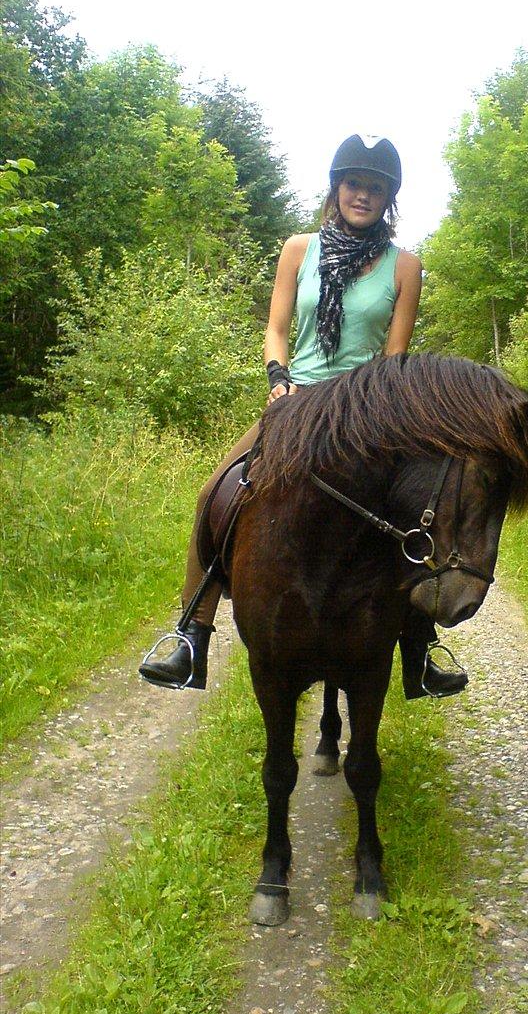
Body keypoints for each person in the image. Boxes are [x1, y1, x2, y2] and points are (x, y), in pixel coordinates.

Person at [139, 134, 469, 698]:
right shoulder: (298, 248)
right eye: (353, 184)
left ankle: (420, 646)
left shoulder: (405, 266)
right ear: (337, 187)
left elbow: (395, 357)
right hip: (297, 399)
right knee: (216, 489)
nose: (362, 195)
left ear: (387, 197)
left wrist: (379, 409)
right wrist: (278, 380)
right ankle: (192, 633)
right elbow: (276, 328)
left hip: (367, 407)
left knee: (416, 510)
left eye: (374, 188)